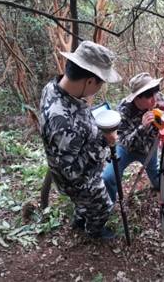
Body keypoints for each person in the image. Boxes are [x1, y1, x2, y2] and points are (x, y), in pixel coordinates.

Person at [40, 41, 121, 240]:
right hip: (80, 181)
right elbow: (72, 172)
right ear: (90, 81)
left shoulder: (53, 88)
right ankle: (94, 231)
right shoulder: (63, 121)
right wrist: (104, 140)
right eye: (101, 82)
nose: (100, 87)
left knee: (85, 203)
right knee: (102, 206)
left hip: (74, 172)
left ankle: (79, 219)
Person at [103, 72, 164, 203]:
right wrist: (143, 127)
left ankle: (160, 186)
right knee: (109, 177)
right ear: (136, 98)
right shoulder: (123, 109)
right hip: (126, 150)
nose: (154, 99)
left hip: (150, 148)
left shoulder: (158, 99)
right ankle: (110, 204)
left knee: (156, 172)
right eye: (148, 96)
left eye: (155, 93)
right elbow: (124, 141)